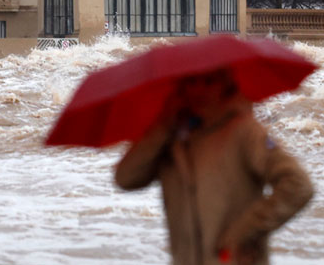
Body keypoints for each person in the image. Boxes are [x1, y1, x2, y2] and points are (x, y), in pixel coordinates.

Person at [114, 69, 313, 265]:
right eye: (191, 82)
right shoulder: (171, 137)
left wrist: (242, 233)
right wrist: (163, 127)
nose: (199, 90)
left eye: (209, 82)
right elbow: (126, 178)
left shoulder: (244, 130)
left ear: (225, 85)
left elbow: (298, 185)